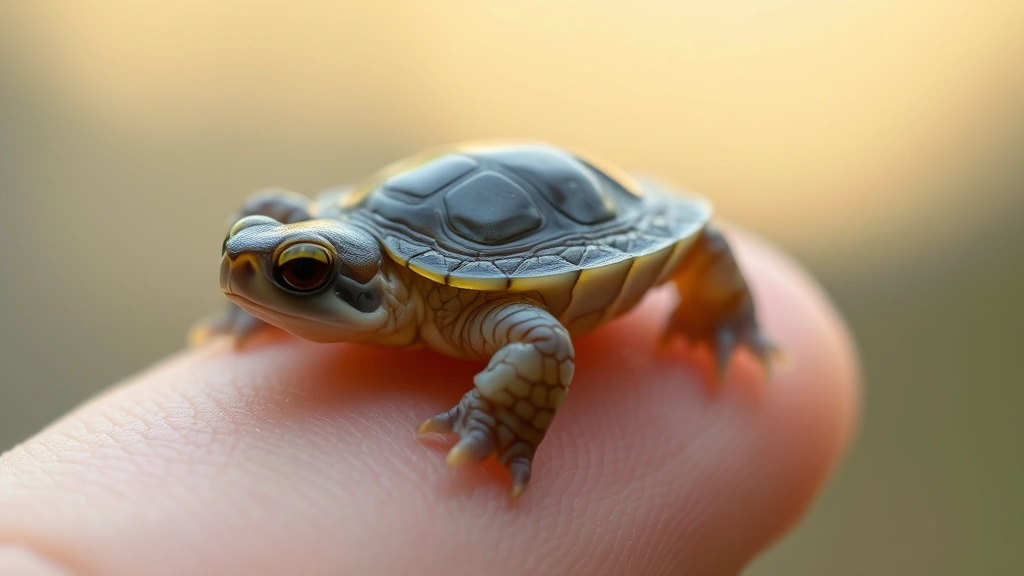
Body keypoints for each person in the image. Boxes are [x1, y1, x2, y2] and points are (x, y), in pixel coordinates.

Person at [0, 229, 859, 575]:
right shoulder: (338, 251)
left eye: (300, 276)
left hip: (541, 230)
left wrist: (496, 415)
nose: (251, 275)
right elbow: (274, 218)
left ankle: (731, 319)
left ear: (382, 289)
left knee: (698, 250)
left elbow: (546, 340)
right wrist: (260, 287)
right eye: (243, 264)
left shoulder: (472, 308)